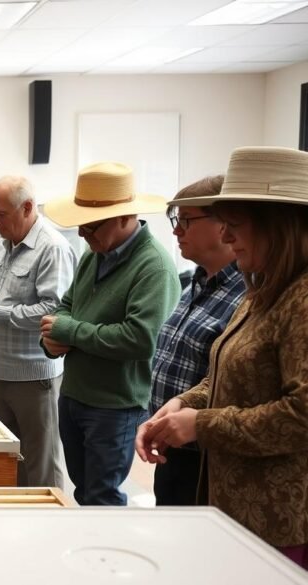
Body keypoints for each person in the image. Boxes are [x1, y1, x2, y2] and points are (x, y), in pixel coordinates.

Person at [137, 146, 308, 568]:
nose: (227, 237)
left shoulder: (302, 299)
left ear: (278, 225)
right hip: (233, 506)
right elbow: (225, 372)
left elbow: (301, 416)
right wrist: (184, 402)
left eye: (235, 225)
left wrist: (201, 424)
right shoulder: (262, 290)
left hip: (276, 520)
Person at [40, 162, 180, 506]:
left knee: (102, 497)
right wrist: (53, 338)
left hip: (115, 405)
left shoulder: (154, 267)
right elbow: (67, 305)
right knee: (84, 490)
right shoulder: (94, 255)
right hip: (75, 394)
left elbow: (140, 338)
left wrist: (69, 330)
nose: (83, 235)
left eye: (90, 226)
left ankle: (105, 545)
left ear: (124, 217)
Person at [0, 176, 76, 489]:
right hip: (2, 370)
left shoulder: (52, 248)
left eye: (1, 214)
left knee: (41, 464)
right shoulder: (3, 244)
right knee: (13, 458)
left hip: (33, 376)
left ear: (27, 208)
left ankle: (49, 518)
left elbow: (53, 311)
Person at [147, 176, 245, 506]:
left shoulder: (248, 295)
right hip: (174, 449)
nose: (177, 231)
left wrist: (196, 421)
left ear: (224, 225)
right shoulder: (195, 282)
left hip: (207, 459)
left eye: (186, 220)